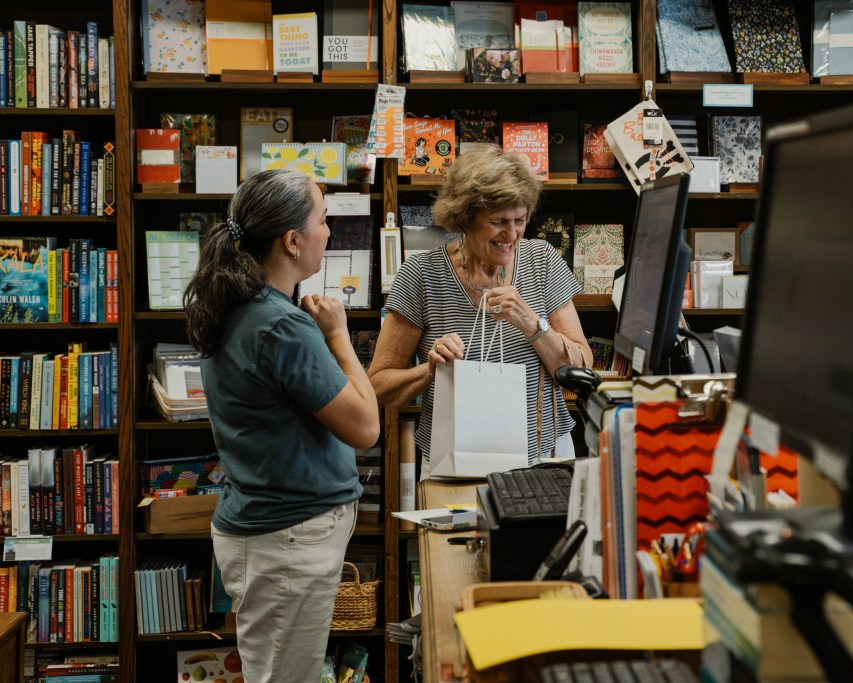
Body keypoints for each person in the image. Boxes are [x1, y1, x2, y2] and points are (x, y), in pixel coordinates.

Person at [183, 169, 379, 683]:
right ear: (292, 241)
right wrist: (338, 335)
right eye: (322, 220)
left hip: (274, 535)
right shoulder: (282, 324)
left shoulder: (241, 303)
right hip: (286, 542)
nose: (329, 232)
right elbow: (365, 427)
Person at [369, 144, 593, 472]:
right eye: (498, 222)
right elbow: (380, 387)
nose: (512, 234)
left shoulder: (542, 261)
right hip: (452, 459)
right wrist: (430, 370)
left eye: (520, 220)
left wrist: (531, 323)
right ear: (464, 219)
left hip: (544, 454)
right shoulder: (421, 273)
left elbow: (583, 370)